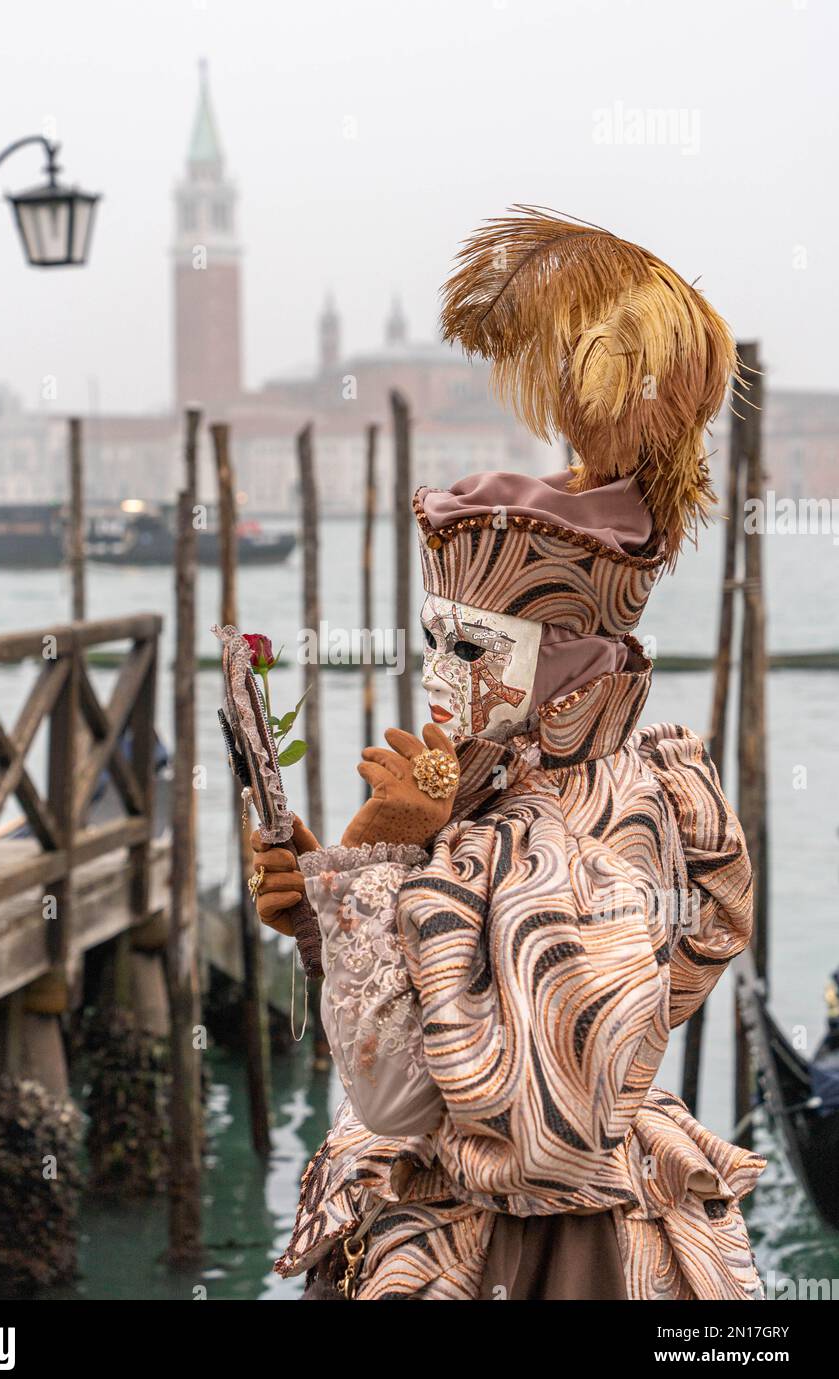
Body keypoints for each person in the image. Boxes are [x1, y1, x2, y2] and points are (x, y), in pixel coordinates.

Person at [251, 208, 765, 1300]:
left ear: (547, 655)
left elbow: (423, 1100)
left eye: (469, 648)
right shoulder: (530, 798)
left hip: (543, 1257)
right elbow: (434, 1001)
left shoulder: (587, 828)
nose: (446, 678)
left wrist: (390, 862)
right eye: (439, 644)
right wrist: (326, 901)